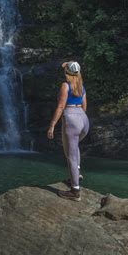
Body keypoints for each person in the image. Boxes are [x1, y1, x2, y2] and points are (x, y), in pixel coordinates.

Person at [47, 60, 90, 201]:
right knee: (75, 147)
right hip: (83, 120)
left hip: (71, 118)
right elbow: (84, 106)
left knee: (70, 156)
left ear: (67, 73)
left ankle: (75, 191)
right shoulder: (81, 86)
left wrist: (52, 125)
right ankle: (76, 175)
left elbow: (60, 106)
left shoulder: (66, 86)